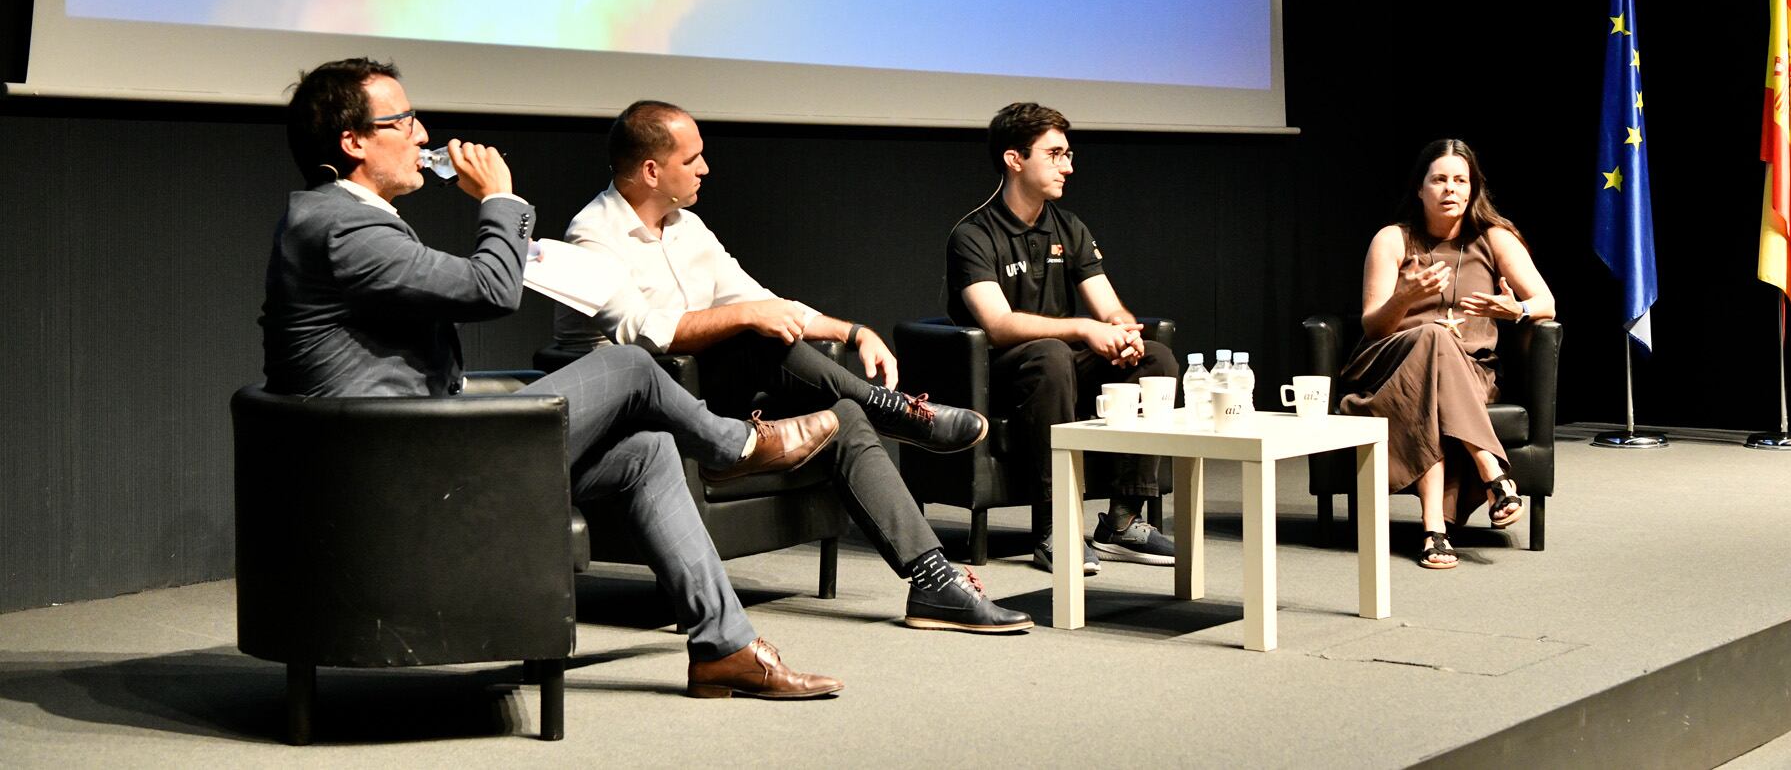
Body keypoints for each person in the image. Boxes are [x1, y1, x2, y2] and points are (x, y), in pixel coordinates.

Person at [260, 59, 844, 698]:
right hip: (397, 476)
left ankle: (723, 648)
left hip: (417, 450)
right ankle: (736, 446)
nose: (422, 134)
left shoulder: (342, 218)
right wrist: (501, 200)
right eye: (403, 121)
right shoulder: (342, 226)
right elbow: (491, 288)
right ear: (353, 141)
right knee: (629, 364)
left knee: (648, 451)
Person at [554, 101, 1031, 634]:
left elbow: (763, 301)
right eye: (692, 160)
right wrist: (748, 317)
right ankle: (892, 410)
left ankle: (934, 581)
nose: (705, 169)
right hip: (640, 416)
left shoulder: (688, 227)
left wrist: (853, 332)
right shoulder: (592, 235)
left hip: (706, 395)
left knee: (844, 415)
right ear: (651, 171)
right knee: (751, 333)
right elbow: (642, 332)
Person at [945, 102, 1178, 573]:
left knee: (1155, 358)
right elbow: (998, 324)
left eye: (1067, 154)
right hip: (1001, 372)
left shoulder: (1068, 227)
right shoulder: (973, 234)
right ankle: (1056, 528)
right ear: (1015, 159)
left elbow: (1108, 306)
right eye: (1054, 154)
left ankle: (1122, 522)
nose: (1067, 167)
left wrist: (1123, 331)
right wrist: (1084, 329)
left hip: (1061, 364)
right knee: (1051, 355)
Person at [1346, 138, 1556, 570]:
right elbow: (1373, 326)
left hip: (1470, 373)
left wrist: (1515, 310)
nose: (1450, 189)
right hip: (1390, 368)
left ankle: (1434, 530)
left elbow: (1546, 303)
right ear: (1420, 189)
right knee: (1432, 337)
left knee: (1434, 374)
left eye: (1461, 181)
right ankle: (1492, 470)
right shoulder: (1393, 239)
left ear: (1473, 189)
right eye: (1439, 180)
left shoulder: (1494, 238)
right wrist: (1403, 298)